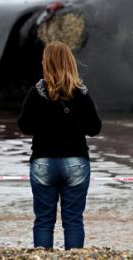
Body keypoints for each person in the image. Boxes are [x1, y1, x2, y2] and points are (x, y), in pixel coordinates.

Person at [18, 41, 102, 249]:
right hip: (75, 161)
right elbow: (95, 128)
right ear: (70, 62)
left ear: (46, 62)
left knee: (44, 221)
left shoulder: (36, 92)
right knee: (73, 220)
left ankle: (43, 256)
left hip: (43, 161)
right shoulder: (80, 92)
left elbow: (24, 126)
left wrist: (45, 123)